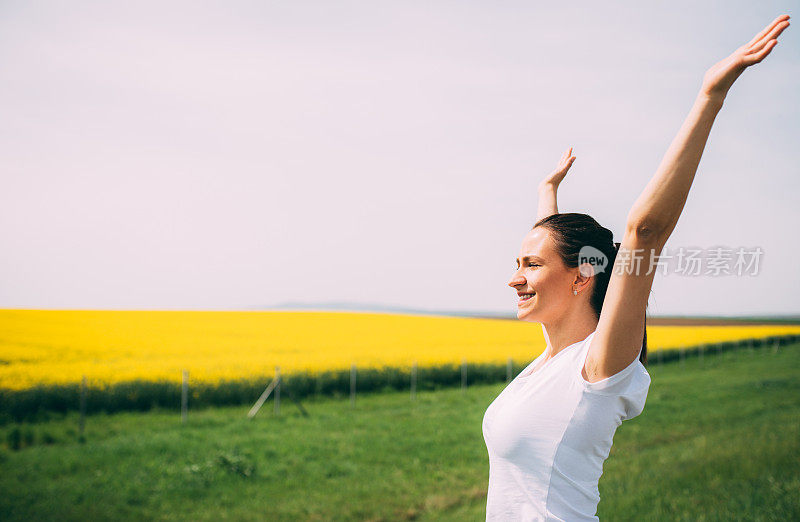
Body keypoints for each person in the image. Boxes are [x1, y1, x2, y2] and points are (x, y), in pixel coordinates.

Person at [482, 15, 790, 521]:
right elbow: (559, 254)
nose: (515, 278)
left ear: (583, 277)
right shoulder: (553, 358)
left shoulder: (598, 366)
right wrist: (547, 195)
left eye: (530, 265)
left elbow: (645, 231)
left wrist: (710, 95)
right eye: (517, 264)